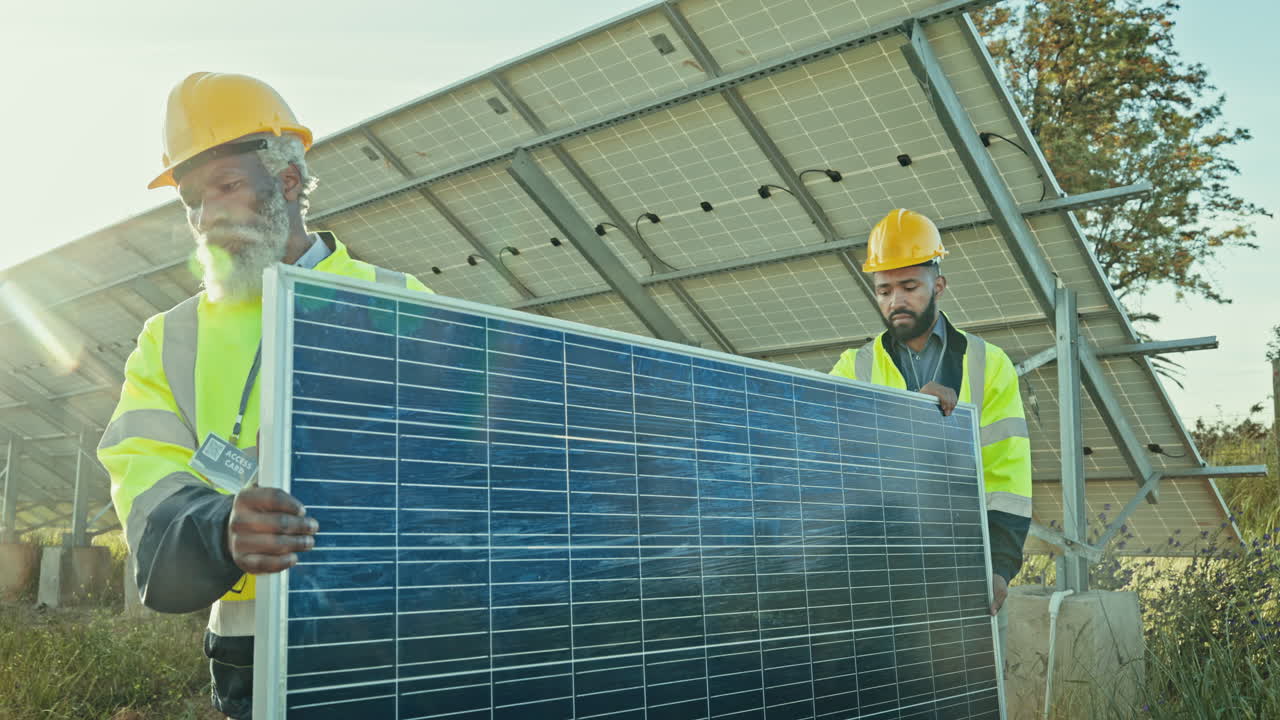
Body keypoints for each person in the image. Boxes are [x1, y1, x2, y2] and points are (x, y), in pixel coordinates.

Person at [97, 72, 430, 719]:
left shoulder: (400, 302)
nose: (206, 213)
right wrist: (217, 526)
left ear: (287, 182)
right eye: (192, 198)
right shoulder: (172, 336)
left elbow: (469, 461)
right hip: (253, 642)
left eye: (226, 185)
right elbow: (140, 471)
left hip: (394, 625)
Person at [830, 208, 1032, 665]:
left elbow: (1009, 477)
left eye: (909, 287)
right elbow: (832, 461)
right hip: (873, 571)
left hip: (960, 571)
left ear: (937, 285)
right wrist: (906, 416)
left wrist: (999, 568)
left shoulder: (988, 363)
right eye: (884, 290)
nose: (896, 300)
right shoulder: (852, 367)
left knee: (958, 692)